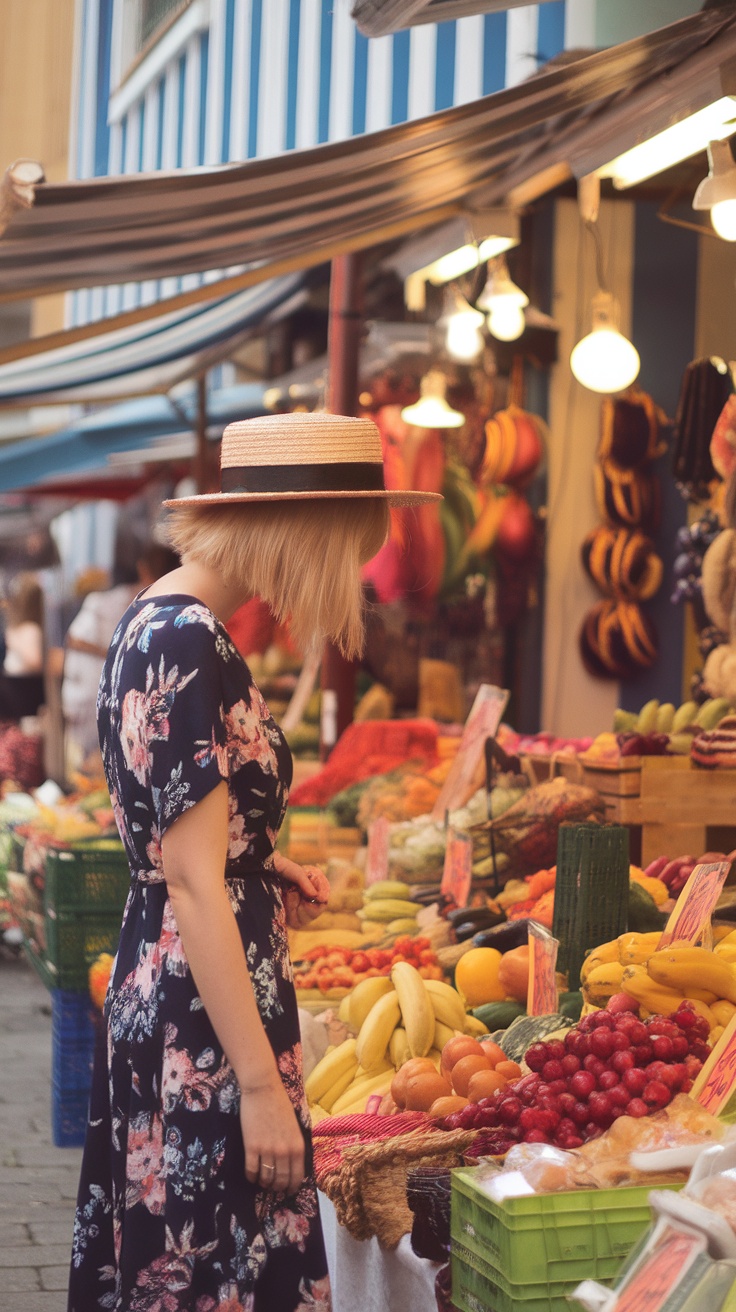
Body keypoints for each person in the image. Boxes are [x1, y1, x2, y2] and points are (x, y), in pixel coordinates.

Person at [66, 411, 438, 1312]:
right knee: (215, 1268)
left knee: (193, 1266)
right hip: (205, 1019)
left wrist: (255, 870)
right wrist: (263, 1089)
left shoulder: (157, 619)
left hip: (187, 986)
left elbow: (185, 849)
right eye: (344, 549)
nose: (345, 577)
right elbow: (190, 877)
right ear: (300, 533)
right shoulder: (190, 639)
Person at [61, 545, 180, 769]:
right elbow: (74, 640)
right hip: (96, 699)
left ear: (143, 569)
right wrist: (116, 654)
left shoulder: (162, 606)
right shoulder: (111, 602)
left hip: (120, 705)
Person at [0, 572, 45, 720]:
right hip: (19, 689)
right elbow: (35, 660)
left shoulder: (27, 629)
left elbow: (34, 660)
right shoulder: (27, 629)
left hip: (19, 690)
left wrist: (14, 641)